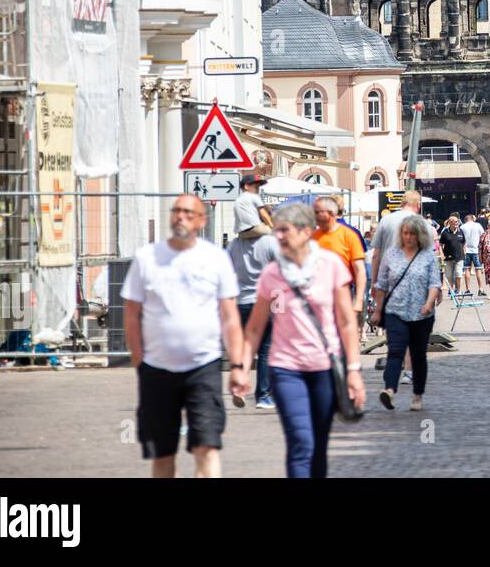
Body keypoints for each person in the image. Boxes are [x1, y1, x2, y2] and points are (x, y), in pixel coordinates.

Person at [230, 202, 365, 478]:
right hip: (286, 369)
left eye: (283, 230)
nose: (277, 236)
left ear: (305, 232)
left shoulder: (331, 265)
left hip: (325, 368)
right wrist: (242, 368)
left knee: (318, 445)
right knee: (300, 442)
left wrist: (353, 370)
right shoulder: (272, 273)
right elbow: (255, 328)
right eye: (276, 230)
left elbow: (346, 322)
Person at [122, 195, 243, 478]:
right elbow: (131, 315)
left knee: (207, 447)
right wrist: (139, 361)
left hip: (205, 367)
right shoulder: (147, 258)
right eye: (176, 211)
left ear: (202, 220)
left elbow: (230, 317)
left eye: (189, 212)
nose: (180, 217)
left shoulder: (216, 258)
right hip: (156, 370)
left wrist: (237, 366)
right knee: (162, 453)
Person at [371, 214, 442, 411]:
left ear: (419, 235)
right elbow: (382, 284)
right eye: (405, 233)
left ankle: (417, 395)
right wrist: (378, 310)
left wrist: (429, 303)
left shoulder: (427, 256)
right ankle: (390, 390)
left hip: (422, 314)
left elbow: (434, 283)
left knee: (418, 356)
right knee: (395, 352)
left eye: (412, 233)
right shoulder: (391, 254)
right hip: (396, 311)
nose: (408, 237)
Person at [228, 189, 279, 410]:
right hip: (266, 302)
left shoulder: (233, 245)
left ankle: (239, 386)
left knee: (245, 346)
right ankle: (263, 396)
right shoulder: (270, 243)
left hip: (241, 302)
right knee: (267, 349)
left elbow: (226, 273)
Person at [312, 197, 367, 319]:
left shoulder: (349, 236)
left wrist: (358, 301)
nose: (314, 216)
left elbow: (360, 270)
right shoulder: (313, 237)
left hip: (343, 293)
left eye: (317, 213)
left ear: (331, 213)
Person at [438, 215, 466, 296]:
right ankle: (451, 291)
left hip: (459, 257)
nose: (457, 223)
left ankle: (459, 290)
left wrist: (464, 250)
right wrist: (441, 254)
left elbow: (464, 242)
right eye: (455, 222)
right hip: (448, 257)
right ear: (450, 223)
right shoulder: (445, 232)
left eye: (457, 221)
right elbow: (440, 244)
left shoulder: (461, 231)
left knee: (458, 274)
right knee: (449, 276)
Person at [460, 211, 486, 296]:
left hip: (466, 250)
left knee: (466, 269)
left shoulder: (463, 227)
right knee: (478, 269)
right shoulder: (477, 225)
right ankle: (481, 289)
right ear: (472, 219)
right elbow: (483, 236)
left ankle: (468, 289)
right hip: (476, 250)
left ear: (466, 220)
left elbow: (461, 239)